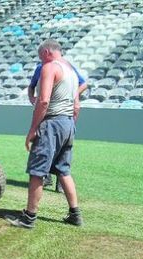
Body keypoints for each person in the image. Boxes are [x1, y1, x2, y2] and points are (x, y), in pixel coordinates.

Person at [9, 39, 83, 228]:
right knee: (63, 170)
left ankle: (29, 217)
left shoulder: (50, 67)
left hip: (52, 124)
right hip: (67, 123)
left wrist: (33, 130)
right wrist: (69, 125)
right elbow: (76, 104)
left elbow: (43, 102)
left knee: (37, 171)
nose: (40, 61)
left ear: (48, 52)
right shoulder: (72, 71)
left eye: (41, 56)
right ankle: (75, 214)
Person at [28, 61, 88, 193]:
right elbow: (31, 86)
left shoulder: (66, 68)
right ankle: (47, 178)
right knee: (46, 150)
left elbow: (83, 84)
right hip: (50, 115)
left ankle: (58, 182)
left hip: (58, 116)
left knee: (56, 150)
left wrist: (74, 94)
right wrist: (32, 99)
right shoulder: (41, 67)